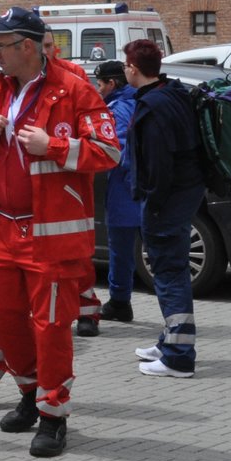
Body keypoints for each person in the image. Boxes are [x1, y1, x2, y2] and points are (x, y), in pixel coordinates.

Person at [0, 7, 118, 458]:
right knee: (5, 322)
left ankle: (53, 414)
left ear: (25, 46)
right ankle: (29, 393)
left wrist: (54, 147)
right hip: (1, 229)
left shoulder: (74, 90)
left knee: (50, 327)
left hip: (50, 235)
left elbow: (109, 151)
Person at [123, 39, 205, 379]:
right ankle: (170, 339)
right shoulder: (173, 94)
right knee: (172, 271)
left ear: (133, 69)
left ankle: (179, 356)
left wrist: (153, 205)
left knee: (170, 273)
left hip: (166, 203)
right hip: (183, 196)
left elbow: (158, 165)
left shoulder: (154, 108)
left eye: (126, 64)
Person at [44, 28, 104, 337]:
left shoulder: (73, 76)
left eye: (49, 45)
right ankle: (59, 310)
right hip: (42, 188)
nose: (46, 52)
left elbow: (94, 140)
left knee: (79, 253)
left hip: (73, 179)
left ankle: (87, 310)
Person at [93, 61, 140, 323]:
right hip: (144, 189)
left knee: (120, 249)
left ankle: (120, 302)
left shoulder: (119, 108)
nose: (98, 89)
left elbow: (118, 151)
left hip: (126, 189)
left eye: (100, 84)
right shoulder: (140, 100)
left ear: (112, 84)